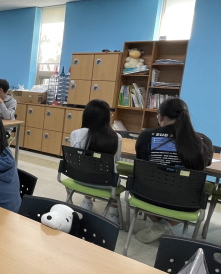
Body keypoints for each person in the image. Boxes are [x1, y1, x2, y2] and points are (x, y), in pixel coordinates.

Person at [134, 98, 213, 243]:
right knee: (201, 190)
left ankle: (160, 225)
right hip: (186, 203)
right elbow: (206, 163)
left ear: (160, 117)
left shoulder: (145, 137)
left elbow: (141, 160)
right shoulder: (203, 141)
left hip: (146, 196)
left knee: (139, 182)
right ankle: (165, 225)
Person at [70, 99, 122, 223]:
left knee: (88, 167)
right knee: (115, 176)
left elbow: (77, 159)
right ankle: (113, 214)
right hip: (106, 183)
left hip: (79, 178)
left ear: (87, 115)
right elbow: (116, 160)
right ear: (107, 117)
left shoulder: (76, 134)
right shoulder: (117, 137)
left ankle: (87, 202)